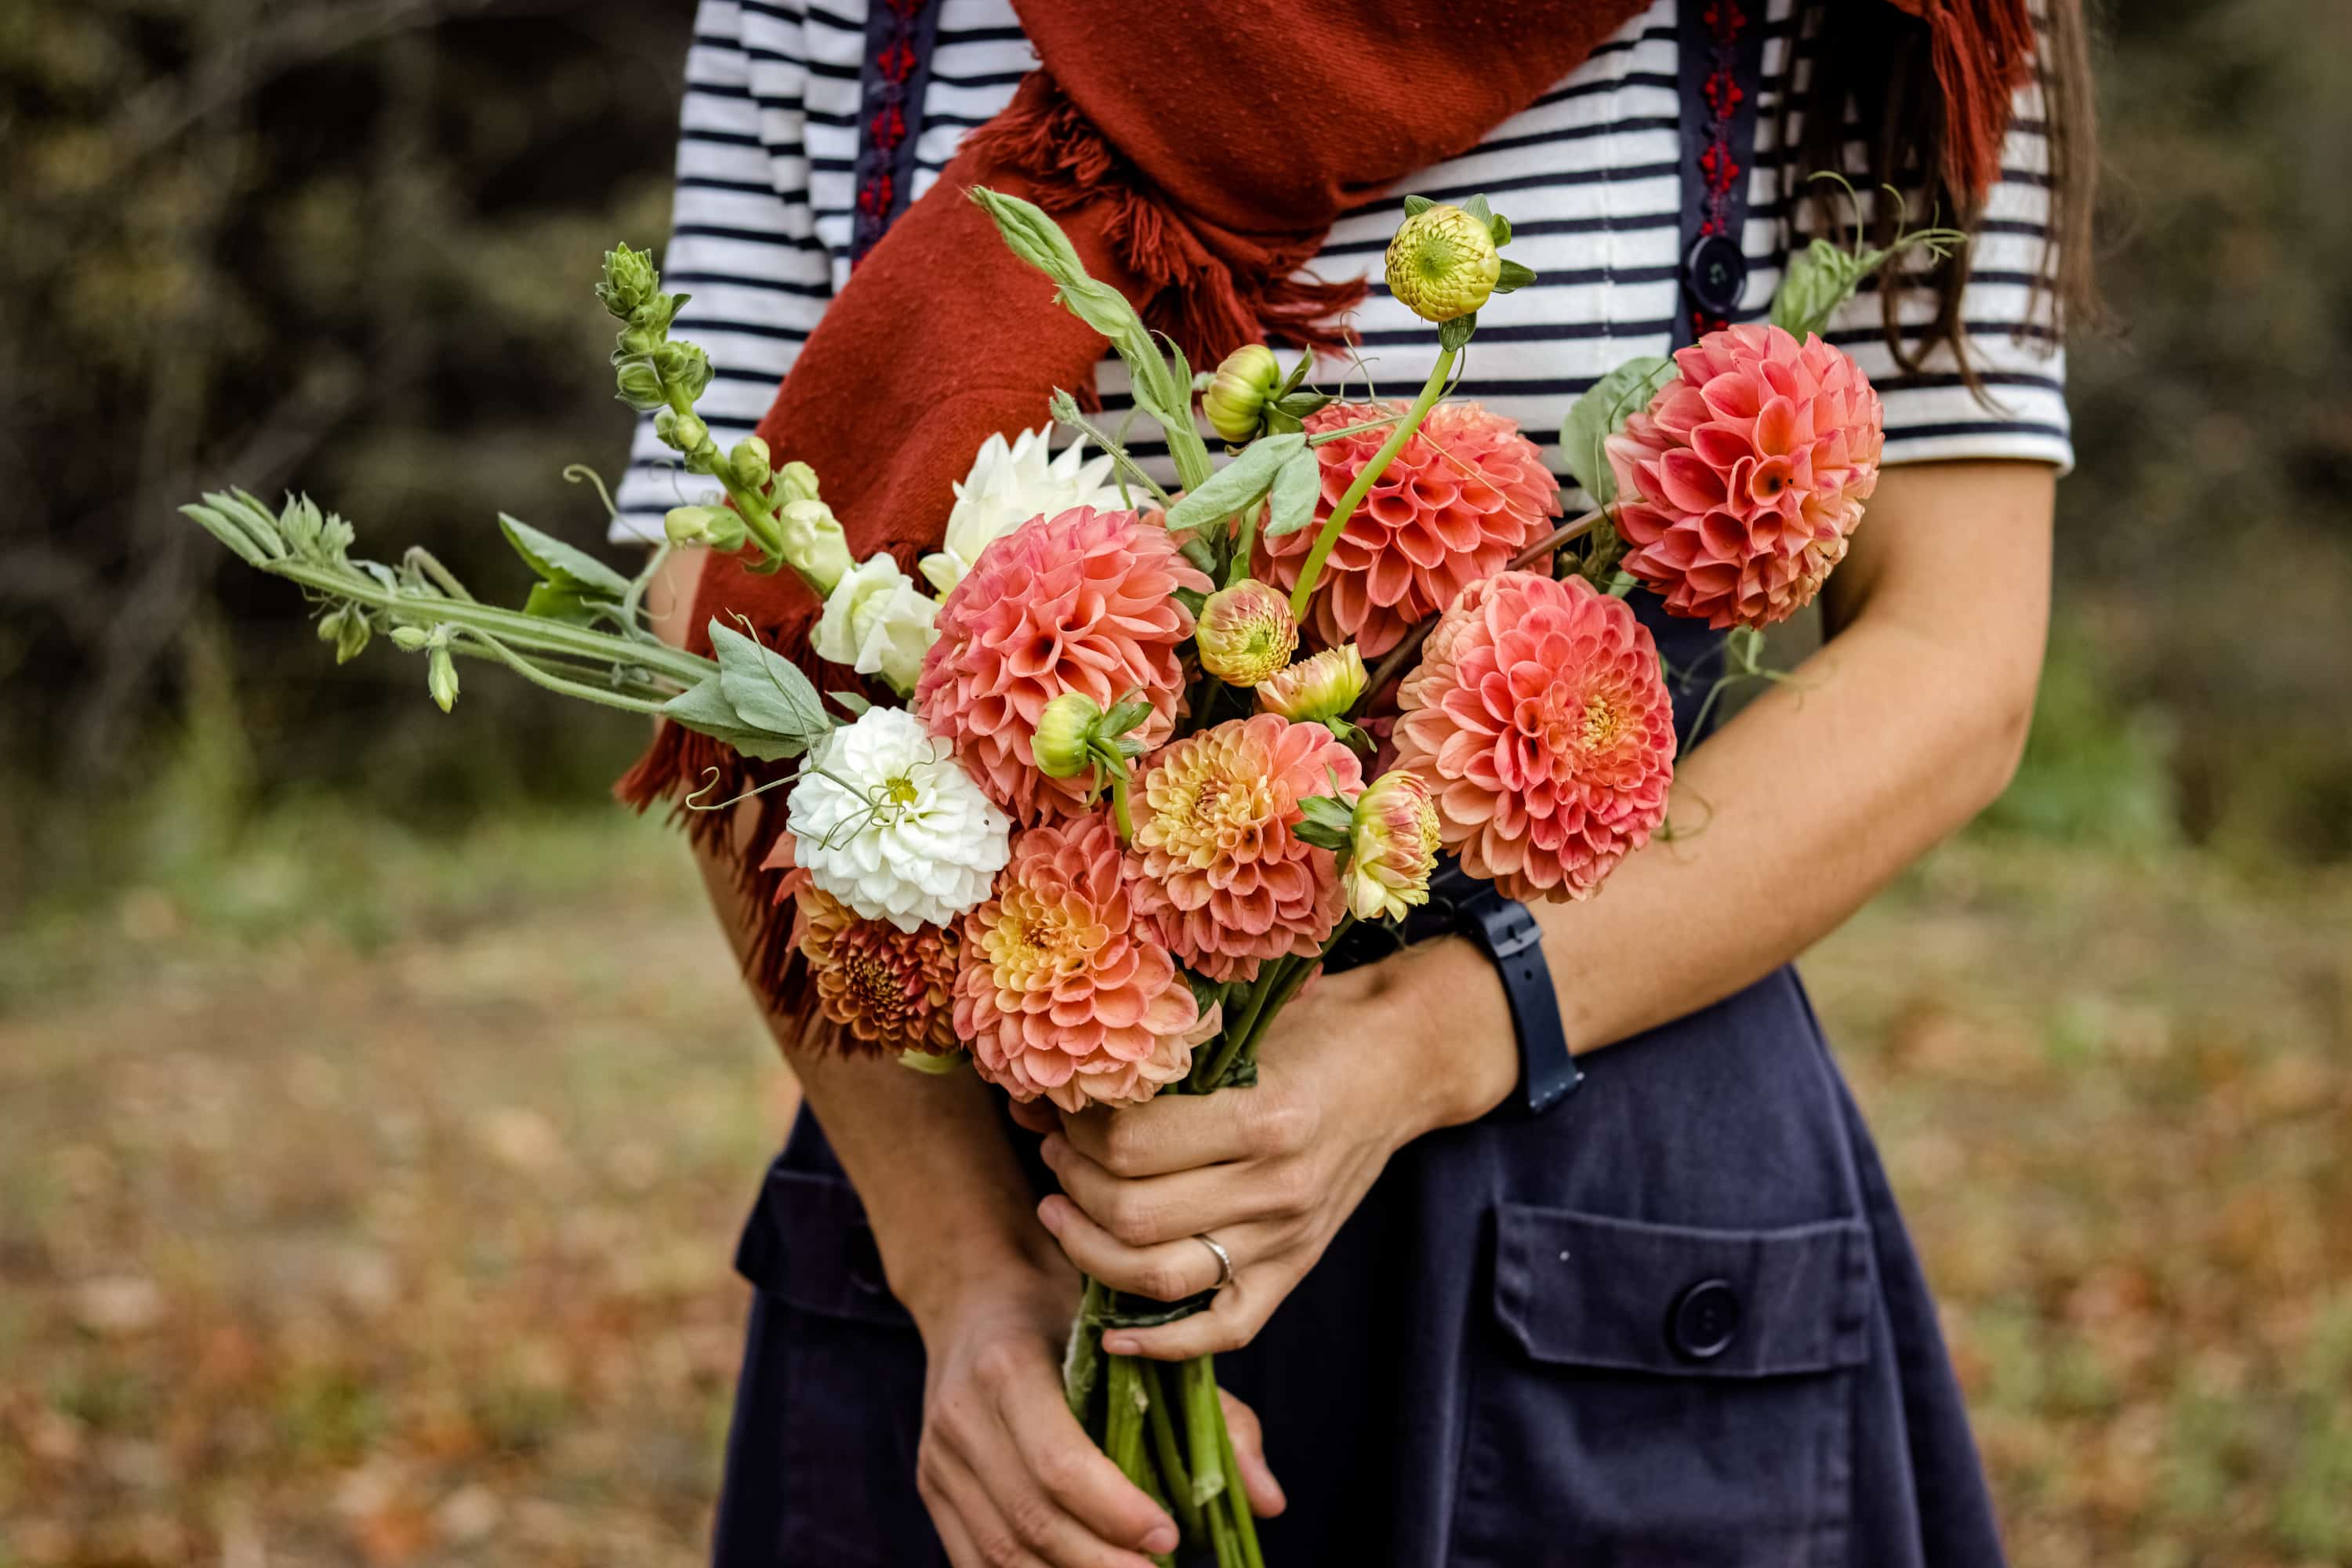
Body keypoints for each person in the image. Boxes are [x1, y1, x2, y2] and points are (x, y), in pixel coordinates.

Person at [619, 1, 2096, 1563]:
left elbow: (1956, 648)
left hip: (1597, 1209)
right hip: (997, 1239)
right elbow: (711, 629)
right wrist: (972, 1272)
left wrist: (1430, 1035)